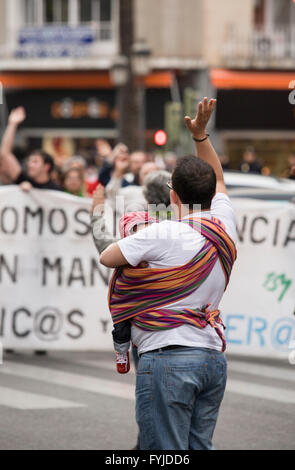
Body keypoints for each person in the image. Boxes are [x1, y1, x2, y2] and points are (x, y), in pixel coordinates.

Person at [99, 97, 238, 450]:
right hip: (211, 358)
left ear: (174, 196)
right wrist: (201, 136)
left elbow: (108, 257)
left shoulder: (162, 233)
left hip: (167, 357)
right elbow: (219, 178)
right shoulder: (225, 226)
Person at [0, 107, 63, 191]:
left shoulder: (56, 190)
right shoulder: (23, 179)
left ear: (46, 167)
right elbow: (5, 154)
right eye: (29, 161)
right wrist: (12, 124)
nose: (29, 165)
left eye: (35, 161)